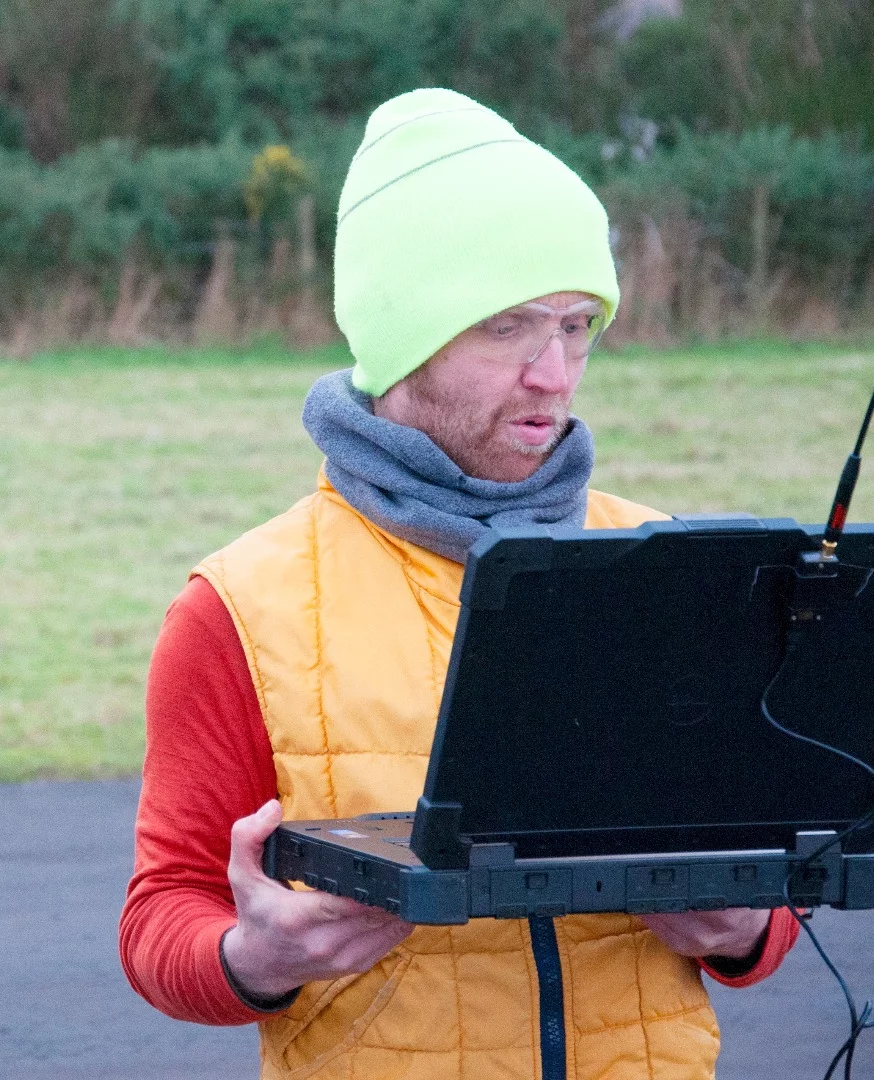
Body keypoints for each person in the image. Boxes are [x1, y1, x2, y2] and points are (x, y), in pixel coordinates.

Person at [119, 88, 798, 1080]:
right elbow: (160, 916)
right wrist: (252, 959)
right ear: (402, 341)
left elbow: (764, 905)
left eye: (577, 326)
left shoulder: (670, 563)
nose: (555, 373)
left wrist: (742, 924)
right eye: (509, 328)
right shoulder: (241, 605)